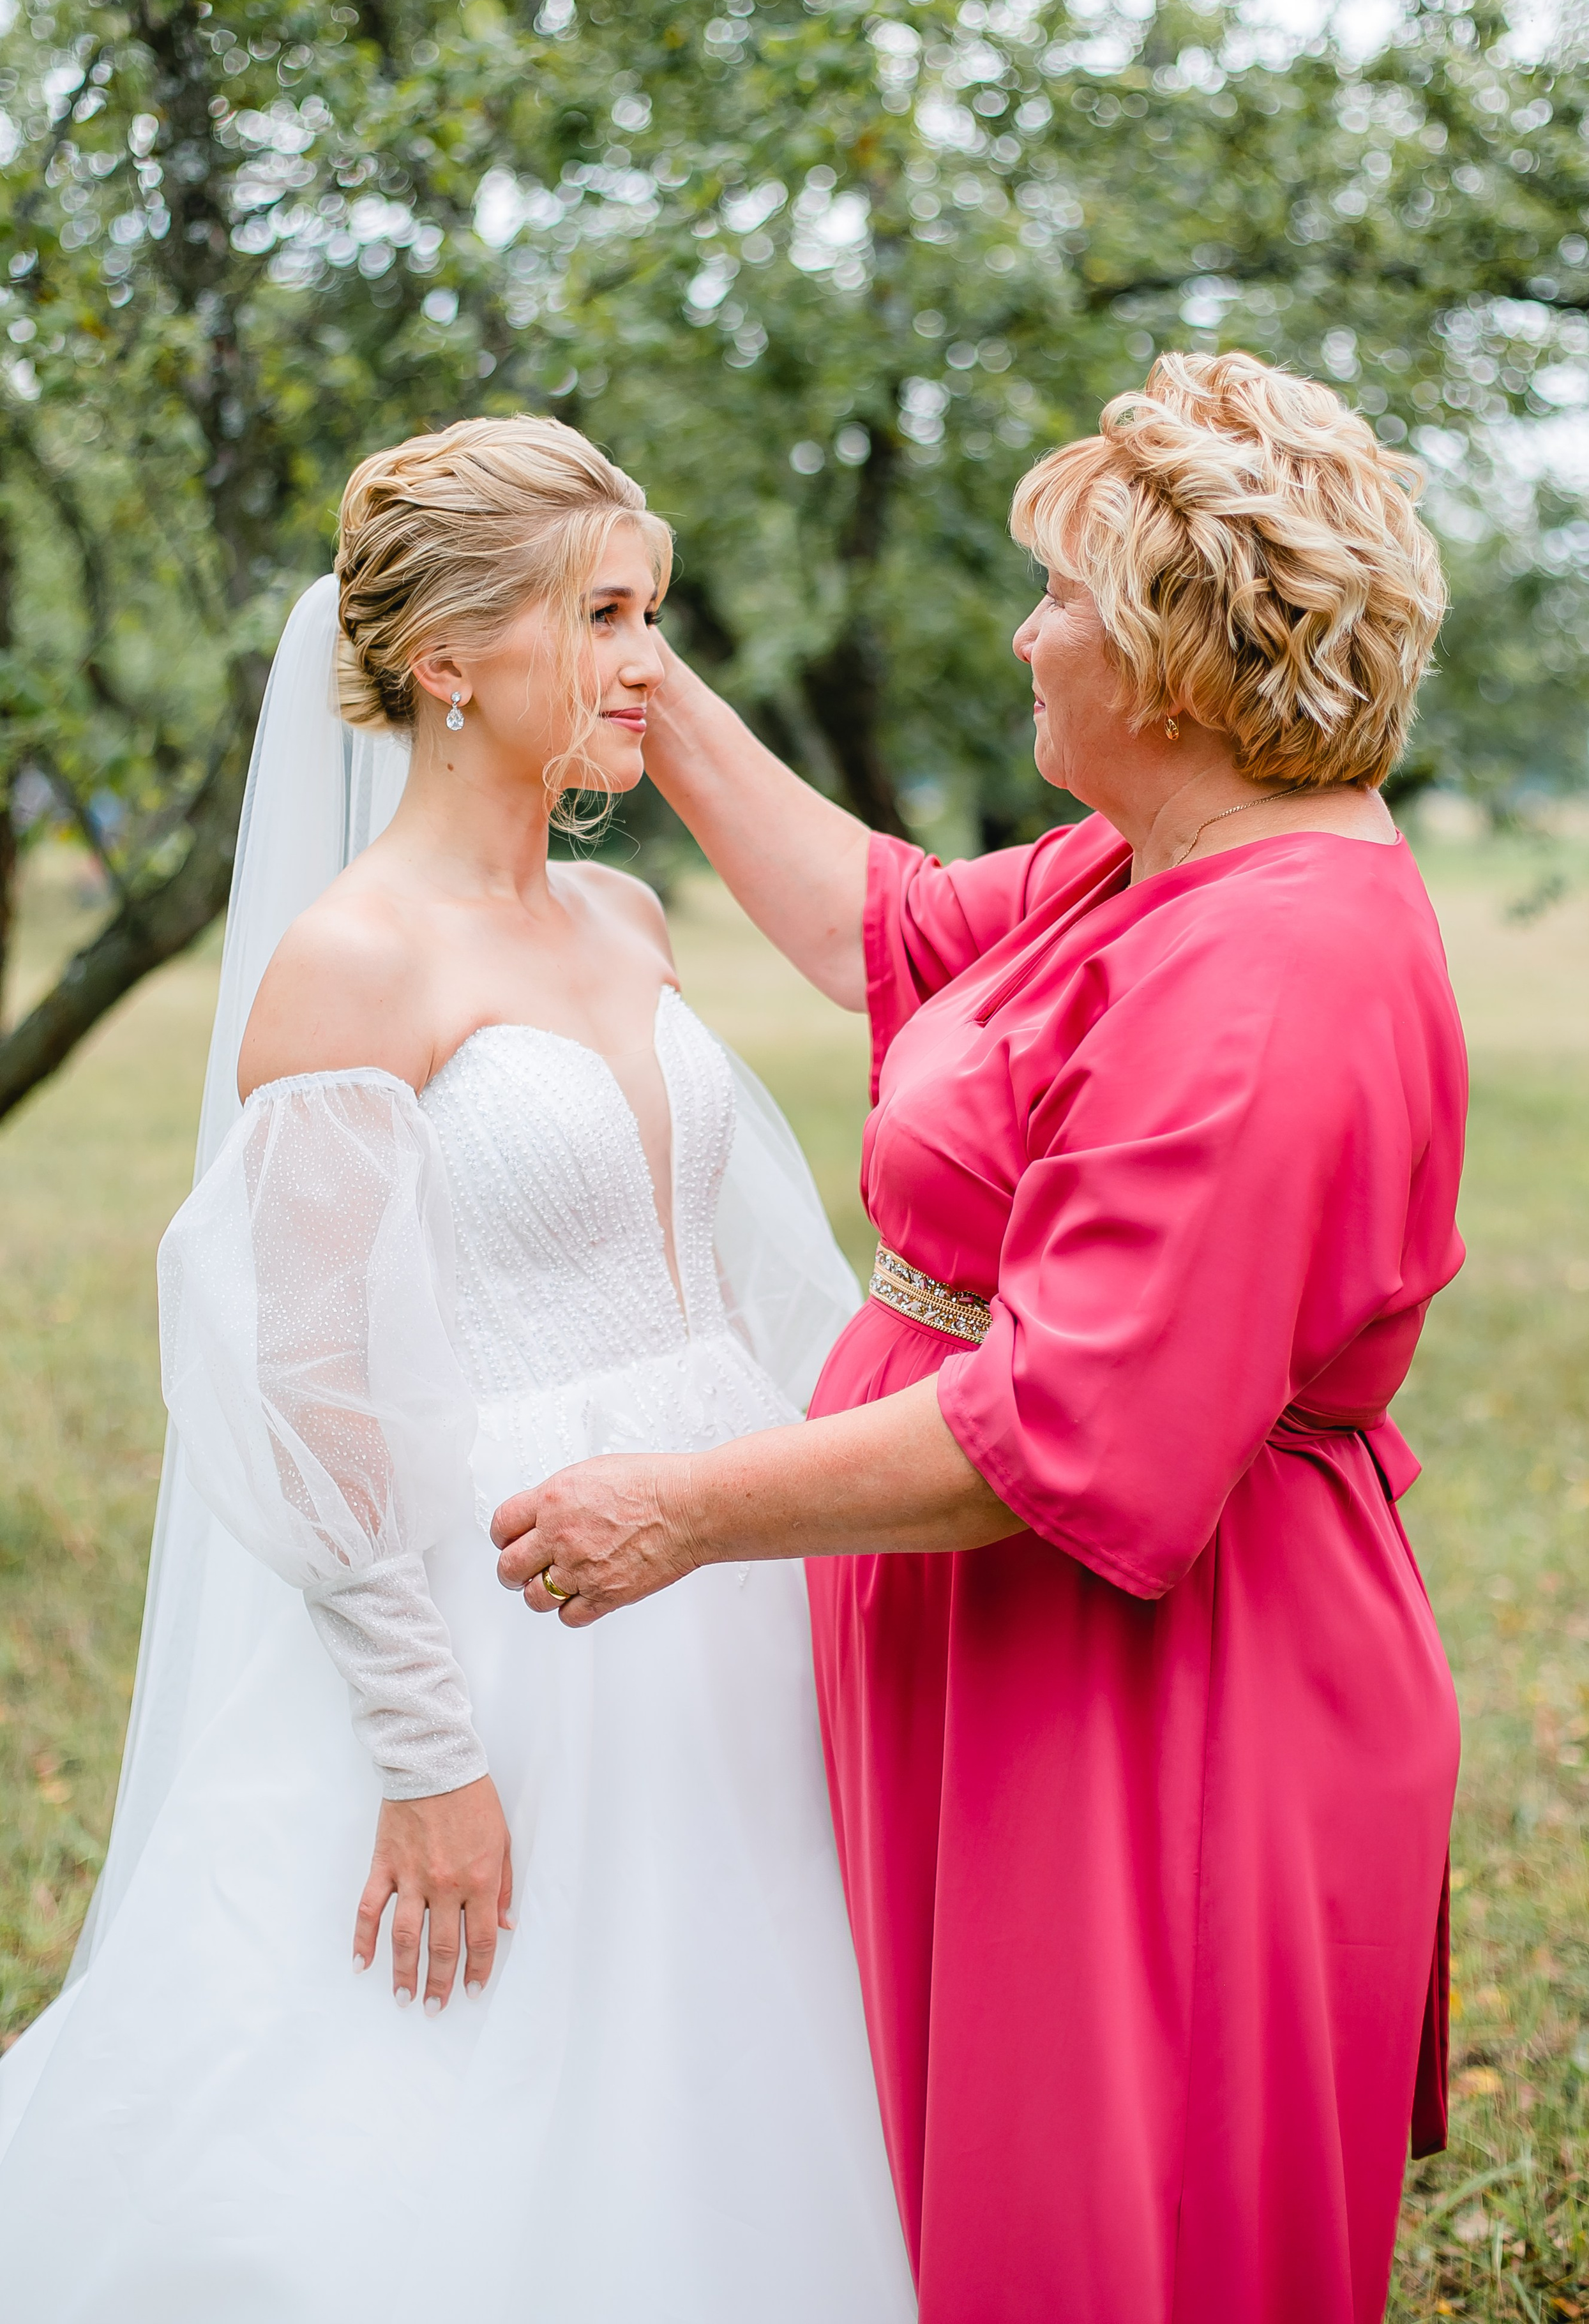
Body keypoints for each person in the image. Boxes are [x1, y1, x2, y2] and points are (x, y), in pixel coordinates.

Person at [493, 354, 1468, 2324]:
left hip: (1161, 1702)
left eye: (1065, 603)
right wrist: (646, 687)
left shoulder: (1269, 965)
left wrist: (676, 1510)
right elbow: (909, 927)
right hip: (1026, 1674)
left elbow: (1069, 1431)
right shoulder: (1162, 858)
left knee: (1110, 2233)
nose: (1028, 638)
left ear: (1182, 655)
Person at [0, 417, 914, 2324]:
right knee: (473, 2077)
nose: (649, 662)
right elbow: (305, 1396)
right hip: (508, 1609)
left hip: (721, 1565)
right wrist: (427, 1756)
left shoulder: (625, 914)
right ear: (444, 662)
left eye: (651, 610)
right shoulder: (352, 965)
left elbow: (747, 1283)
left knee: (744, 2037)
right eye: (600, 613)